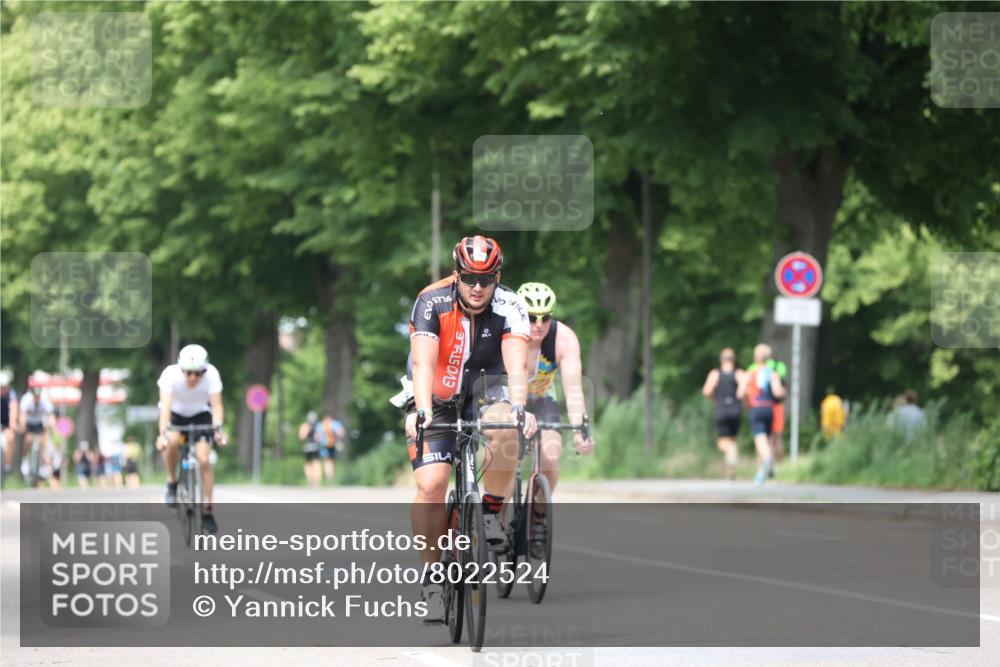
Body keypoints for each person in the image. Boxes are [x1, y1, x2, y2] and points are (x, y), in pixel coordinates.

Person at [400, 235, 536, 623]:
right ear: (456, 274)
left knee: (505, 428)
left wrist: (520, 406)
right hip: (436, 394)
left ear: (498, 277)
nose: (478, 288)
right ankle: (431, 576)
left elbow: (516, 365)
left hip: (486, 390)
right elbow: (423, 364)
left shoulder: (511, 304)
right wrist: (423, 410)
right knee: (430, 484)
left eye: (486, 280)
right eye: (469, 279)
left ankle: (491, 511)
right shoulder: (432, 299)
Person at [516, 282, 595, 496]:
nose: (539, 324)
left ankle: (539, 515)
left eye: (546, 317)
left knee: (550, 456)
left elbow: (574, 391)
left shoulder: (564, 339)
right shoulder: (506, 333)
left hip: (542, 398)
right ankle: (496, 515)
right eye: (532, 317)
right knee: (504, 456)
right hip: (510, 399)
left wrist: (580, 429)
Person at [157, 344, 228, 534]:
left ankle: (207, 510)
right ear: (181, 369)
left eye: (198, 373)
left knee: (204, 459)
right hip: (176, 414)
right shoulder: (170, 375)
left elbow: (217, 406)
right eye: (188, 373)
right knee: (171, 441)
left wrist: (218, 430)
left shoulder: (212, 374)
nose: (193, 378)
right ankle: (172, 482)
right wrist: (162, 434)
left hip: (200, 415)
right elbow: (165, 408)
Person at [737, 344, 785, 485]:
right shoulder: (772, 373)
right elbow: (778, 393)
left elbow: (740, 393)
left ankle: (767, 460)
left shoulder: (750, 373)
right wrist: (783, 392)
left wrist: (747, 400)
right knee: (768, 440)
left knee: (760, 439)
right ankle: (761, 474)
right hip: (770, 409)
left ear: (755, 357)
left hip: (756, 408)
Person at [702, 348, 744, 480]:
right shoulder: (738, 374)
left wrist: (715, 399)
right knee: (732, 439)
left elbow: (707, 391)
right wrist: (741, 402)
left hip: (722, 409)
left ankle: (730, 453)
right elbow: (743, 391)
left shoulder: (715, 374)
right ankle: (731, 470)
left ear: (721, 360)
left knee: (722, 443)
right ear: (734, 360)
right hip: (735, 409)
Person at [19, 386, 56, 484]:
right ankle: (25, 459)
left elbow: (51, 415)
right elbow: (22, 415)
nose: (37, 398)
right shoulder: (26, 400)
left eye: (38, 396)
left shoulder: (45, 400)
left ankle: (41, 464)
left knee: (43, 441)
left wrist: (52, 426)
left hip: (39, 422)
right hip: (29, 422)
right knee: (28, 440)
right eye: (35, 396)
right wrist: (23, 426)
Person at [1, 371, 19, 475]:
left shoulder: (11, 393)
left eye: (5, 387)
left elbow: (14, 407)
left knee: (11, 437)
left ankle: (8, 462)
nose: (4, 389)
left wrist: (12, 424)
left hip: (7, 421)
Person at [318, 414, 346, 481]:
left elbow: (317, 436)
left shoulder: (321, 425)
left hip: (324, 445)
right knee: (330, 460)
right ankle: (330, 476)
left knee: (327, 461)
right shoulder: (334, 423)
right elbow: (341, 432)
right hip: (332, 444)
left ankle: (329, 476)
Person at [298, 411, 323, 487]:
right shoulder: (318, 426)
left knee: (308, 464)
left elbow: (302, 437)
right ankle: (316, 481)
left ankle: (311, 480)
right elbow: (319, 438)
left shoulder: (305, 426)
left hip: (308, 447)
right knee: (316, 463)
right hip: (315, 447)